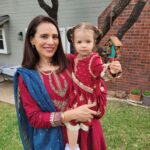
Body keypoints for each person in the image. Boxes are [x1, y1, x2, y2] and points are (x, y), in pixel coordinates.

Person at [13, 15, 122, 150]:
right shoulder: (27, 77)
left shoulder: (71, 60)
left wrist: (112, 71)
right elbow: (35, 118)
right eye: (44, 36)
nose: (51, 41)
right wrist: (69, 115)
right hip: (53, 140)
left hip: (86, 133)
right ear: (32, 39)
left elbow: (96, 74)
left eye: (55, 36)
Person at [65, 23, 122, 150]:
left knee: (82, 124)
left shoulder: (94, 59)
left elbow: (102, 71)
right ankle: (72, 147)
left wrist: (112, 70)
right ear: (73, 42)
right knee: (71, 121)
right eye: (79, 42)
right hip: (76, 97)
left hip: (87, 99)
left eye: (88, 41)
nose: (84, 45)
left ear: (94, 42)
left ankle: (81, 146)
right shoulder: (74, 58)